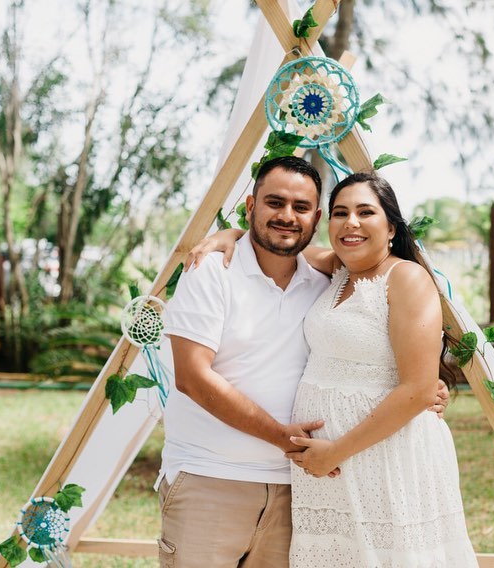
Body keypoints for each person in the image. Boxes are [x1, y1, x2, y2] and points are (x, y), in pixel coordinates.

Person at [159, 157, 448, 568]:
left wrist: (425, 390)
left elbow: (407, 370)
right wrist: (232, 234)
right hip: (215, 477)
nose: (286, 216)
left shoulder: (324, 276)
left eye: (300, 208)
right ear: (250, 206)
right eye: (274, 203)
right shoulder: (216, 271)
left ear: (313, 218)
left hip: (304, 485)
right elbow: (192, 377)